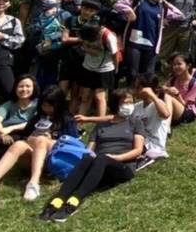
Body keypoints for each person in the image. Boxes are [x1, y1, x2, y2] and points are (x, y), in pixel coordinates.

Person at [39, 89, 146, 222]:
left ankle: (74, 201)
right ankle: (57, 200)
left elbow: (138, 150)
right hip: (99, 166)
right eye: (125, 102)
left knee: (101, 157)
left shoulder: (135, 123)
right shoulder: (101, 126)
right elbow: (89, 150)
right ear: (115, 104)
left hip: (122, 166)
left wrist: (115, 158)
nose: (129, 105)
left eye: (131, 102)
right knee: (88, 158)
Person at [0, 85, 78, 203]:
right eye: (43, 104)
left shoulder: (67, 120)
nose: (46, 108)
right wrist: (32, 139)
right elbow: (26, 136)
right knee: (18, 144)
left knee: (41, 140)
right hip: (33, 155)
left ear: (58, 104)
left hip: (53, 159)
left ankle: (34, 183)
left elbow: (72, 144)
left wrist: (51, 139)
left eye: (50, 105)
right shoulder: (38, 117)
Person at [72, 0, 120, 119]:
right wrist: (89, 50)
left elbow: (115, 53)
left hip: (104, 68)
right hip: (88, 66)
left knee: (99, 96)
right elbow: (83, 44)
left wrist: (116, 69)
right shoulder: (86, 29)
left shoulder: (108, 36)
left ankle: (101, 122)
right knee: (85, 96)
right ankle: (79, 122)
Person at [164, 53, 196, 126]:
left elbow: (185, 104)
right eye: (174, 64)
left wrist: (177, 94)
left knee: (167, 97)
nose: (176, 67)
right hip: (175, 106)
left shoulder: (194, 83)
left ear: (188, 66)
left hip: (187, 112)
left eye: (179, 64)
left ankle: (166, 128)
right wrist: (166, 89)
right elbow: (163, 87)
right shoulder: (173, 79)